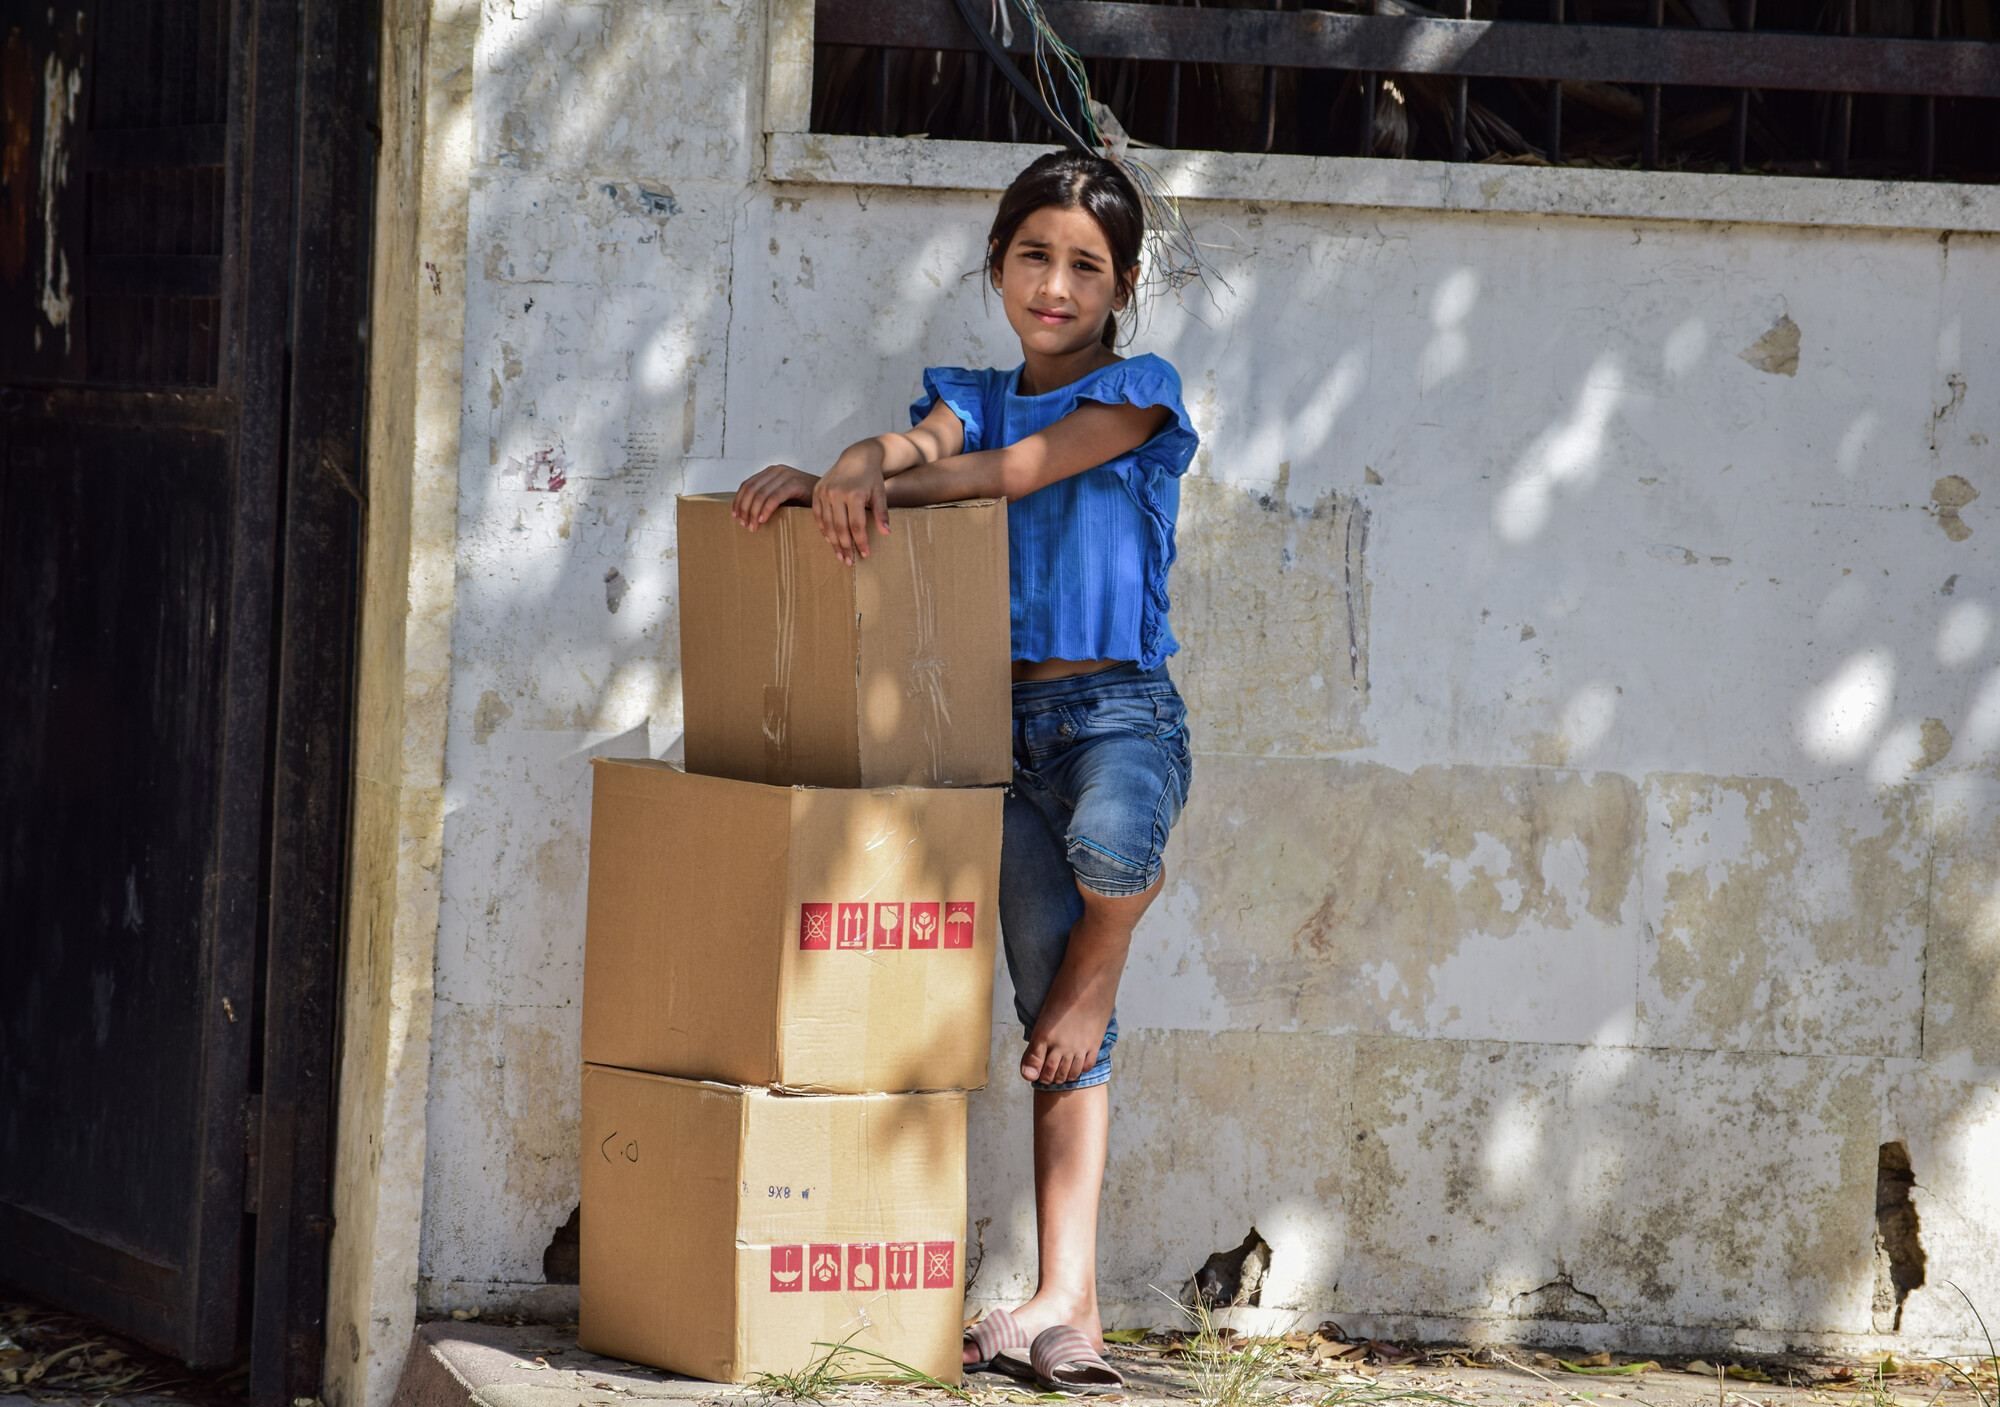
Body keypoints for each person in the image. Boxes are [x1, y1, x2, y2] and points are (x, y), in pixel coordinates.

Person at [730, 149, 1198, 1395]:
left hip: (1117, 712)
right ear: (997, 267)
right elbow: (927, 436)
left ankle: (1100, 972)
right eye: (1032, 256)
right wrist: (846, 460)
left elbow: (1013, 473)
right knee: (1048, 1041)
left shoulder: (1137, 395)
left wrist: (878, 475)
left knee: (1113, 863)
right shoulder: (974, 394)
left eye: (1084, 266)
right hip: (997, 734)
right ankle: (1065, 1309)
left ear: (1122, 284)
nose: (1055, 284)